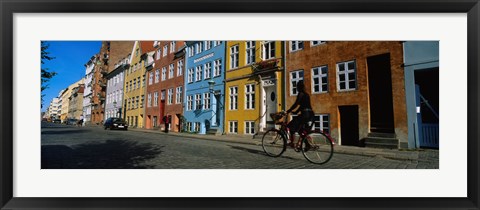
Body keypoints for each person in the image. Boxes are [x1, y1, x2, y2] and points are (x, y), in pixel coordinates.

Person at [286, 80, 314, 150]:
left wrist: (288, 111)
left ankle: (292, 142)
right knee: (300, 130)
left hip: (305, 114)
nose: (296, 88)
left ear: (299, 87)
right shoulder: (307, 95)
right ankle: (307, 145)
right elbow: (302, 106)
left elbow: (296, 104)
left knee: (290, 126)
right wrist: (295, 112)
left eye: (297, 87)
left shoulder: (300, 94)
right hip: (310, 114)